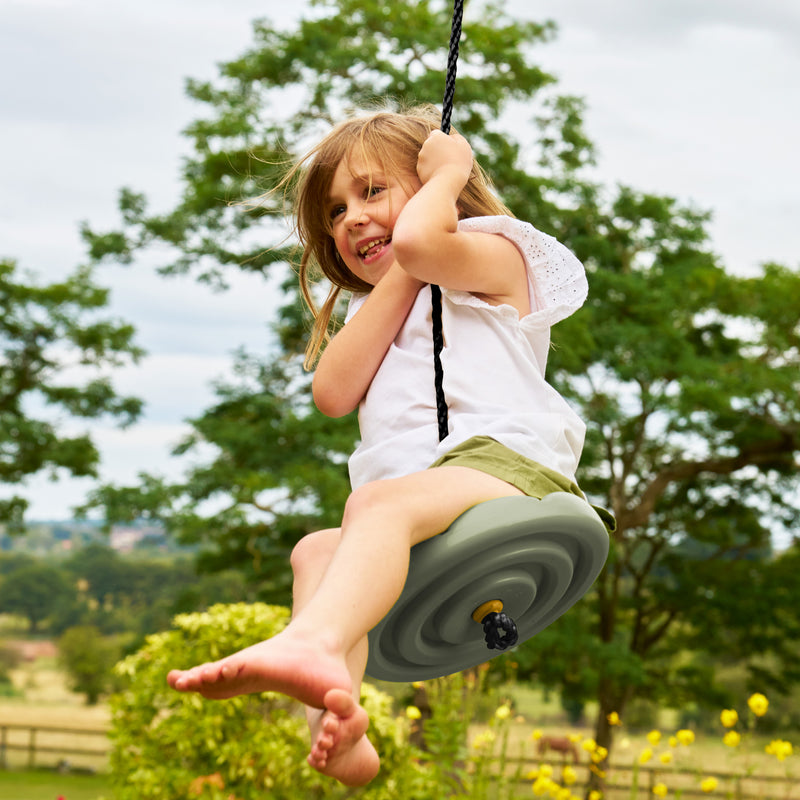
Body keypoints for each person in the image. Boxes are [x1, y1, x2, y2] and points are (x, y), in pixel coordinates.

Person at [167, 104, 596, 787]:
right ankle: (337, 724)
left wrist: (449, 175)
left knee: (375, 505)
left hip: (508, 468)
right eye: (336, 212)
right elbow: (333, 391)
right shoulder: (381, 306)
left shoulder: (494, 256)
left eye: (372, 192)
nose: (352, 219)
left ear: (436, 191)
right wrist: (398, 274)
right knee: (315, 551)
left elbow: (424, 246)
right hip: (421, 501)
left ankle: (311, 645)